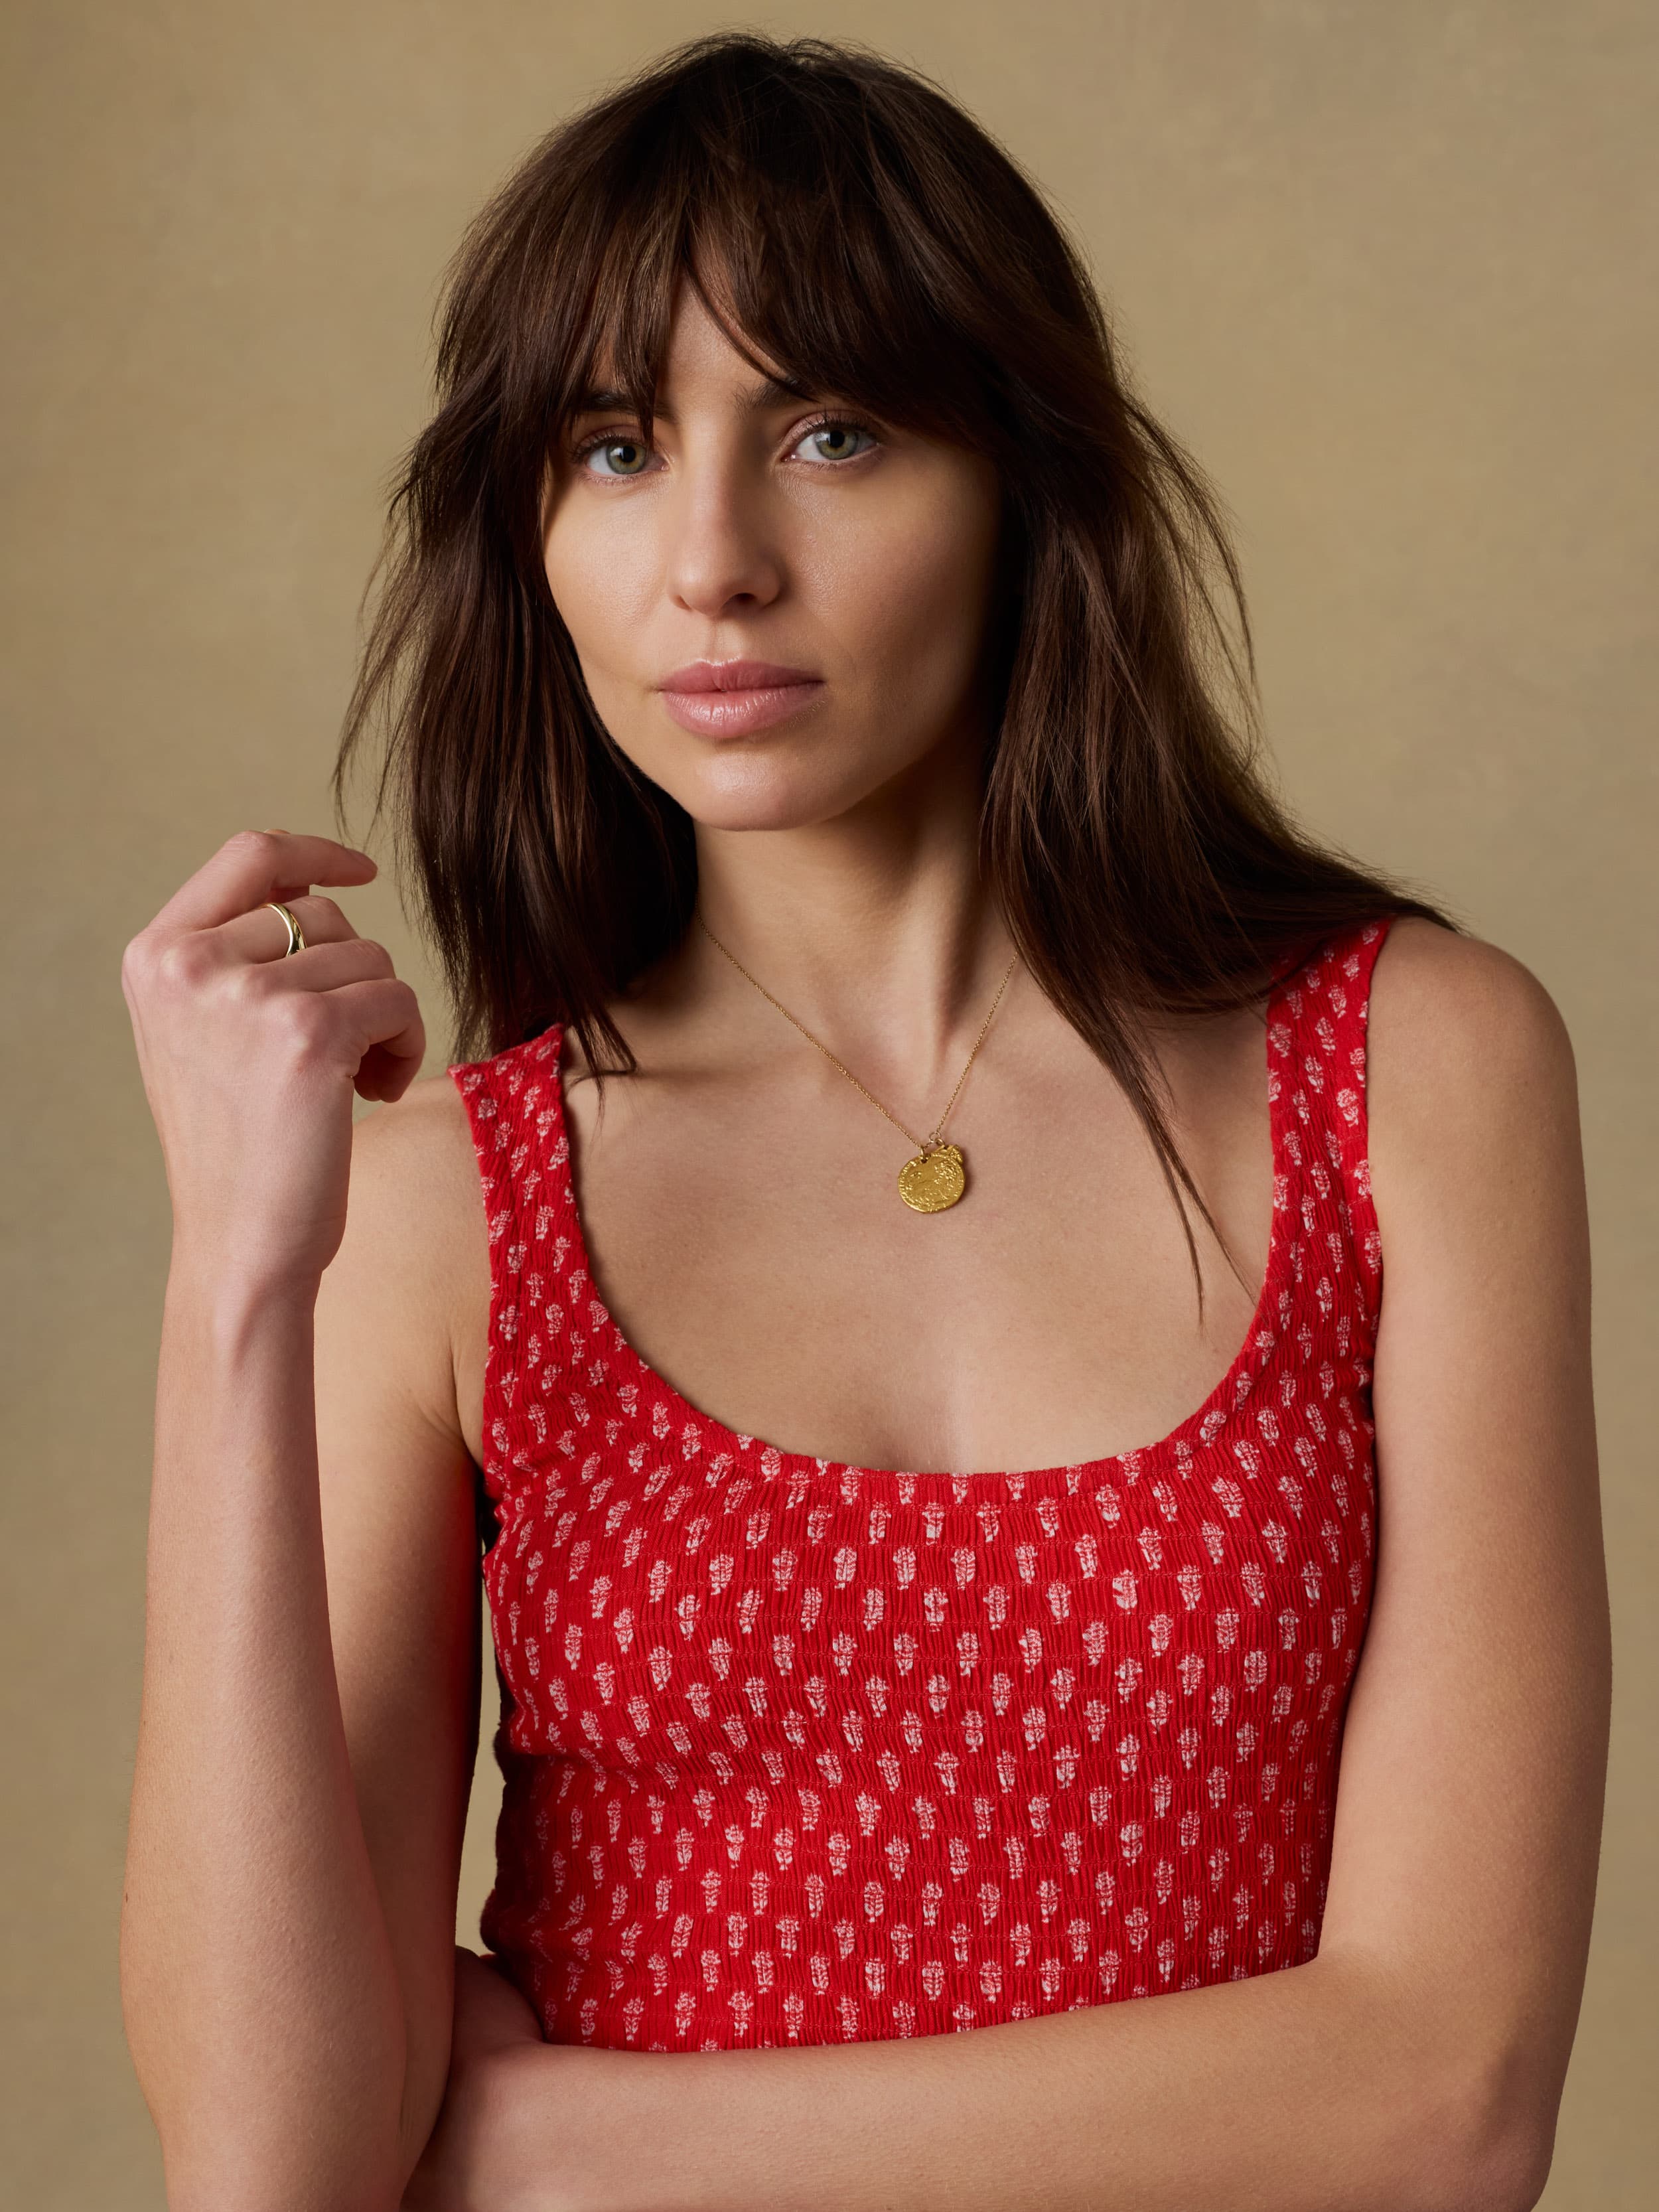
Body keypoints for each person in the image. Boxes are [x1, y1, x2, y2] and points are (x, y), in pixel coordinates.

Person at [117, 31, 1609, 2212]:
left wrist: (547, 2160)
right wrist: (237, 1287)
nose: (710, 561)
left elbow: (1444, 2109)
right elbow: (271, 2172)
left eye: (827, 431)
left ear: (1020, 481)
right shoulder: (443, 1204)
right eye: (614, 449)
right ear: (525, 533)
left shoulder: (1413, 1068)